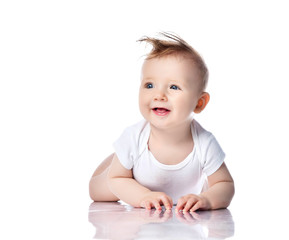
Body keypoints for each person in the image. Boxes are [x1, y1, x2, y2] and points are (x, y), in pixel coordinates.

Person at [89, 32, 234, 212]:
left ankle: (122, 158)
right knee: (98, 192)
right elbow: (117, 179)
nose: (159, 95)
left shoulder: (205, 142)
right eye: (149, 85)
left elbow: (225, 184)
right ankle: (118, 157)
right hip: (130, 179)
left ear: (199, 103)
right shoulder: (134, 137)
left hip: (176, 190)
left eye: (174, 87)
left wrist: (207, 200)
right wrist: (142, 196)